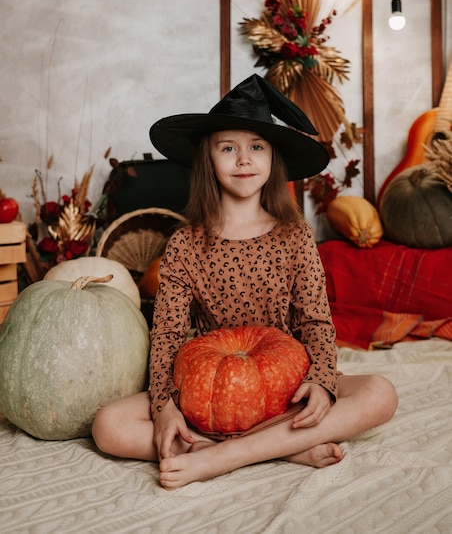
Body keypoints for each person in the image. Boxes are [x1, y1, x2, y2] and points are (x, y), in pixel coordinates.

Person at [92, 74, 398, 490]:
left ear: (273, 160)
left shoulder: (294, 235)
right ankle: (285, 447)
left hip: (286, 391)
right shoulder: (184, 244)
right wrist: (164, 407)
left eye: (257, 147)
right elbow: (167, 332)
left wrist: (323, 383)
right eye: (228, 148)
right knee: (108, 426)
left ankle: (221, 456)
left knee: (381, 393)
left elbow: (315, 321)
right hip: (209, 396)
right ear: (208, 158)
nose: (243, 160)